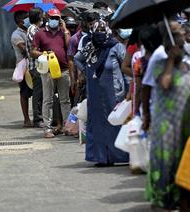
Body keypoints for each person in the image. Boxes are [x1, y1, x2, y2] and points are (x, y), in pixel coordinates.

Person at [145, 22, 190, 211]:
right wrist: (170, 61)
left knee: (182, 161)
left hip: (185, 122)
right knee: (165, 162)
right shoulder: (160, 62)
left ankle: (179, 197)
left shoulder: (187, 66)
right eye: (179, 43)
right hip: (166, 123)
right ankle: (161, 199)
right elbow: (164, 83)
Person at [74, 20, 129, 166]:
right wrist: (86, 72)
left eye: (103, 31)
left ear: (108, 32)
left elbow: (125, 69)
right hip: (95, 92)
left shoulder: (116, 47)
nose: (100, 34)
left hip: (114, 92)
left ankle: (118, 156)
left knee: (115, 122)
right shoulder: (90, 47)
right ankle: (100, 157)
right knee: (97, 124)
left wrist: (129, 90)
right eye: (97, 31)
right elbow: (77, 59)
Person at [31, 8, 72, 138]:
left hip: (64, 70)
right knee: (47, 100)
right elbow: (33, 51)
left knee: (65, 100)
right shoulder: (40, 33)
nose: (54, 20)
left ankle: (67, 126)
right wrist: (44, 54)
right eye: (52, 17)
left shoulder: (63, 33)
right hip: (47, 71)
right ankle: (47, 129)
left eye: (57, 18)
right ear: (48, 18)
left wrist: (64, 29)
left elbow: (69, 46)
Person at [11, 11, 33, 128]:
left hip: (35, 64)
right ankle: (26, 119)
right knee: (25, 92)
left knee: (39, 92)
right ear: (20, 21)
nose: (28, 19)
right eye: (26, 18)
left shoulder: (31, 30)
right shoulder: (16, 35)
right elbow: (24, 49)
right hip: (24, 67)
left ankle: (38, 117)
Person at [26, 8, 44, 128]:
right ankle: (37, 119)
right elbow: (35, 49)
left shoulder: (36, 29)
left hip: (39, 65)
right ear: (39, 17)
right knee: (38, 92)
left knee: (41, 92)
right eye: (42, 16)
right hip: (36, 65)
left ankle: (40, 116)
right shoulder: (33, 30)